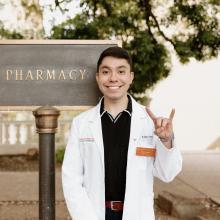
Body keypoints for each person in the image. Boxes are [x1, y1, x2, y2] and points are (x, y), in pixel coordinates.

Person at [62, 46, 182, 220]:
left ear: (131, 77)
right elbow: (71, 178)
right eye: (106, 72)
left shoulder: (151, 123)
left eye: (121, 71)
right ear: (97, 78)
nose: (113, 78)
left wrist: (167, 140)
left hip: (137, 213)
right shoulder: (81, 123)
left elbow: (167, 173)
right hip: (94, 214)